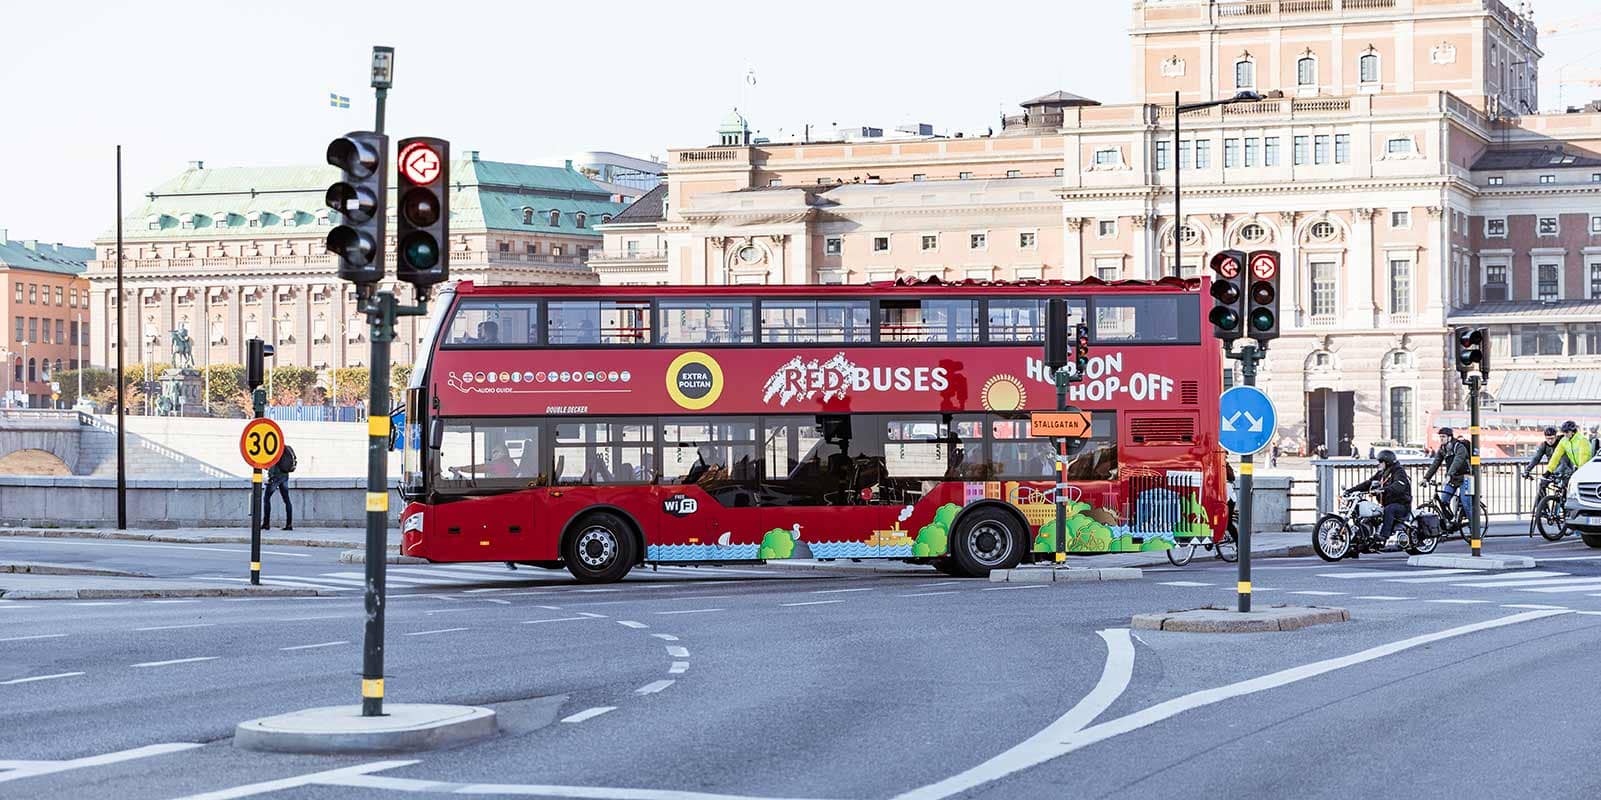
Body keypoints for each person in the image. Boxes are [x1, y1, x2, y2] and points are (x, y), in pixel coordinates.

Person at [1344, 449, 1413, 549]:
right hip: (1386, 504)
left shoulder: (1399, 472)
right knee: (1368, 513)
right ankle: (1358, 541)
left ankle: (1383, 537)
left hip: (1402, 505)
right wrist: (1351, 490)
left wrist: (1384, 489)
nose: (1379, 464)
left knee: (1389, 509)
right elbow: (1368, 483)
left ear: (1387, 462)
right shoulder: (1381, 474)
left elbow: (1399, 486)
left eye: (1381, 462)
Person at [1423, 427, 1471, 529]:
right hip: (1453, 478)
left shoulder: (1459, 447)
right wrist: (1426, 478)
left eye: (1443, 437)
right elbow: (1435, 464)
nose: (1441, 439)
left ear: (1449, 437)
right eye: (1440, 437)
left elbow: (1457, 461)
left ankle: (1474, 531)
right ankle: (1452, 521)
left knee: (1466, 503)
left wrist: (1449, 475)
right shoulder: (1442, 449)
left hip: (1467, 477)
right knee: (1444, 500)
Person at [262, 444, 297, 531]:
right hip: (285, 476)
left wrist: (270, 476)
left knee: (266, 498)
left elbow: (273, 463)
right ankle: (289, 525)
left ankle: (266, 524)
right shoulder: (287, 448)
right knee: (287, 500)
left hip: (276, 477)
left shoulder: (276, 448)